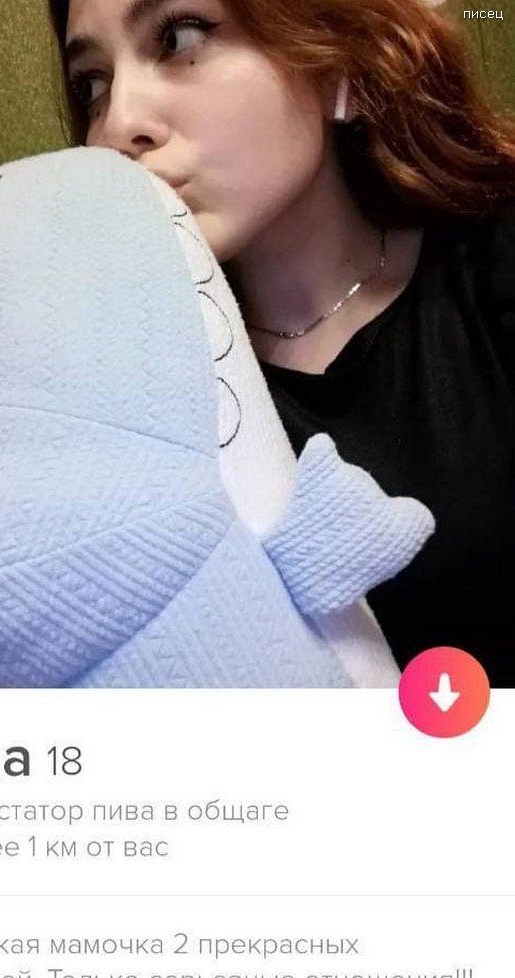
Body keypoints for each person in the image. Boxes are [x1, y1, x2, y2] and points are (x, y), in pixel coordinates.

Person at [48, 0, 515, 684]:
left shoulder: (492, 256)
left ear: (331, 54)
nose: (117, 125)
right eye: (92, 83)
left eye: (179, 37)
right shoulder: (136, 394)